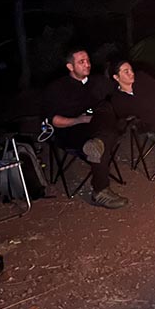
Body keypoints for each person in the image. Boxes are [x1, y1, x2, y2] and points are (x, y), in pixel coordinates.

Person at [43, 48, 128, 209]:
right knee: (104, 136)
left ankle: (100, 190)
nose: (87, 64)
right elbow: (53, 120)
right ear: (70, 66)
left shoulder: (98, 82)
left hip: (98, 126)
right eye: (81, 62)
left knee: (104, 110)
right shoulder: (57, 88)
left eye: (88, 60)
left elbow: (122, 90)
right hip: (72, 130)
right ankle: (100, 190)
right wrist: (78, 120)